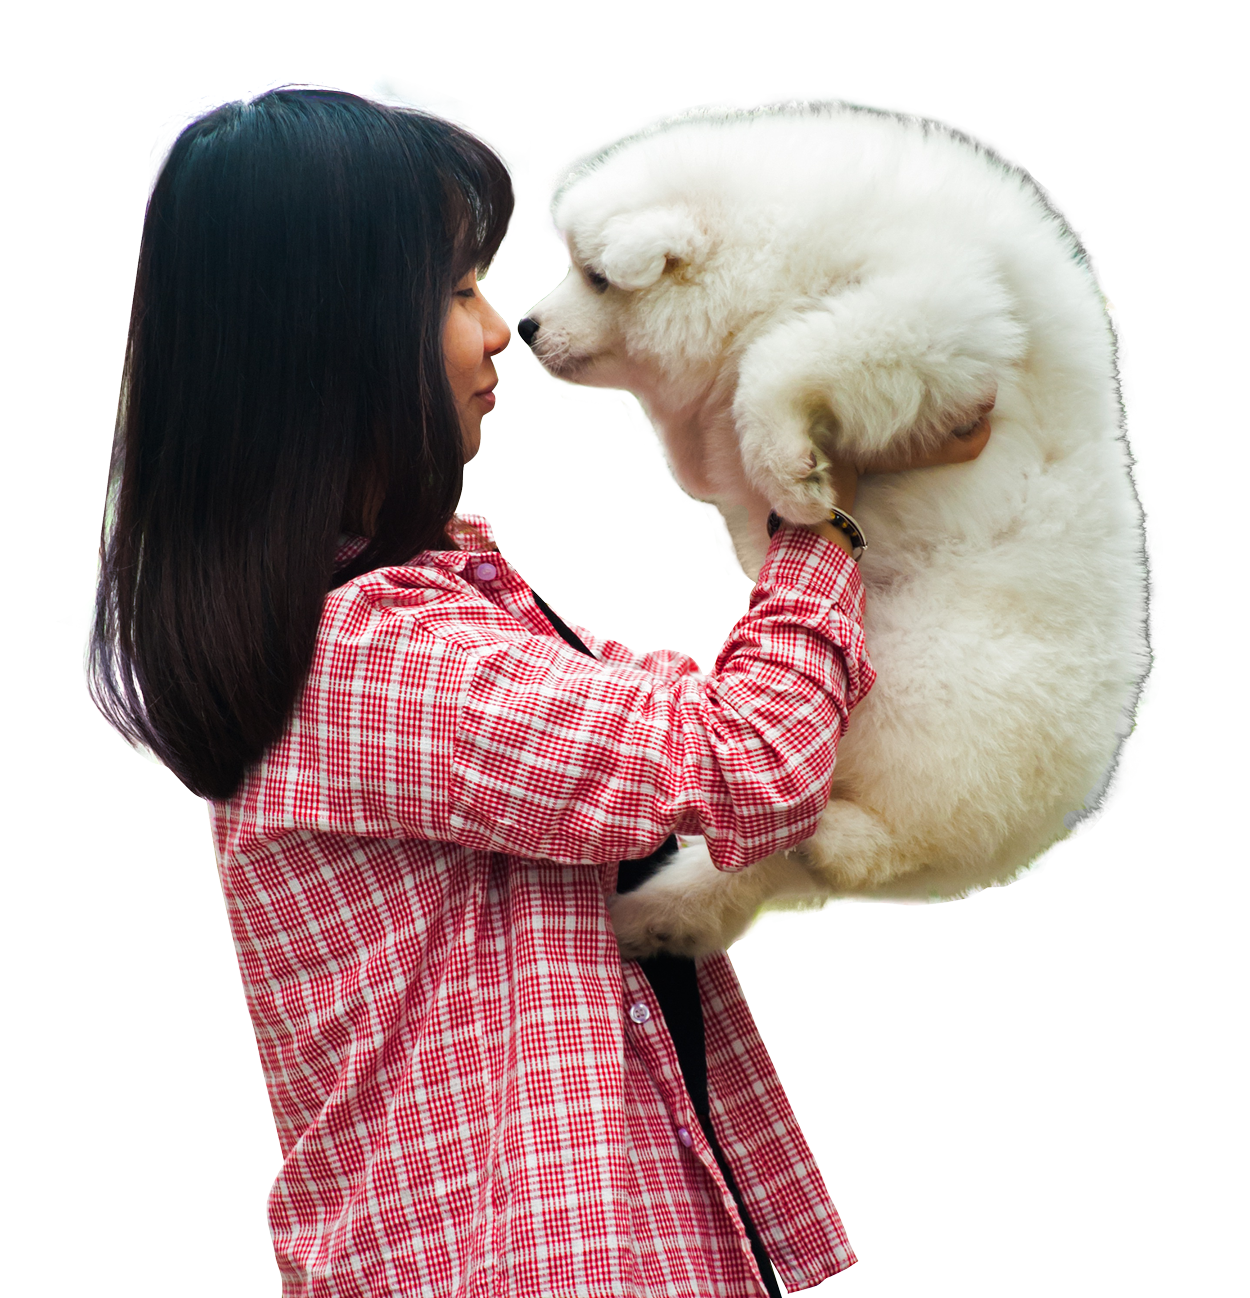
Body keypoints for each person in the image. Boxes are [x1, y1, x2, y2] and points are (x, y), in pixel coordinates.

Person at [84, 85, 991, 1298]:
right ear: (333, 339)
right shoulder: (376, 662)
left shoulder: (424, 614)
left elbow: (661, 720)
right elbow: (745, 760)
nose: (499, 327)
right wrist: (818, 503)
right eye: (457, 288)